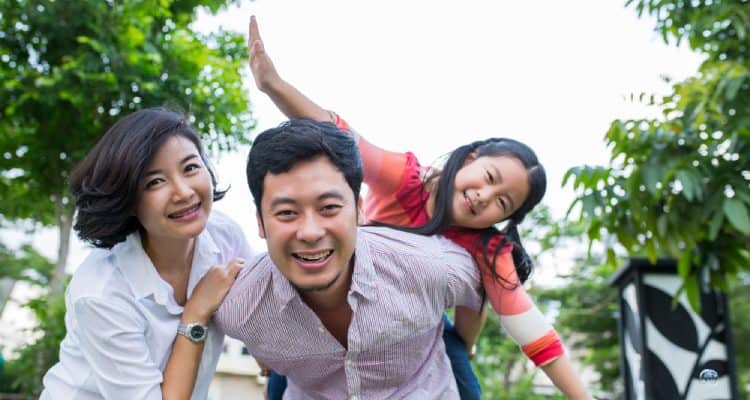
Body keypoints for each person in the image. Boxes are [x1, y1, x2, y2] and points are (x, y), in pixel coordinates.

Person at [247, 16, 590, 398]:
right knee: (289, 373)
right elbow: (340, 136)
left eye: (502, 203)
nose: (484, 197)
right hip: (334, 300)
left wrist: (466, 342)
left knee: (464, 379)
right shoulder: (407, 180)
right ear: (472, 156)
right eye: (489, 178)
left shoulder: (488, 250)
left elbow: (532, 329)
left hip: (416, 325)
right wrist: (273, 85)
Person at [216, 119, 489, 398]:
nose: (310, 233)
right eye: (287, 212)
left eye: (329, 208)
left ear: (359, 209)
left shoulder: (431, 266)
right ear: (260, 223)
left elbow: (485, 288)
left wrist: (465, 345)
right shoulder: (239, 308)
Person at [40, 108, 253, 400]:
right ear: (127, 199)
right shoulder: (101, 292)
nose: (183, 192)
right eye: (155, 182)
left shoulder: (224, 235)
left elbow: (263, 304)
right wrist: (195, 311)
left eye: (190, 167)